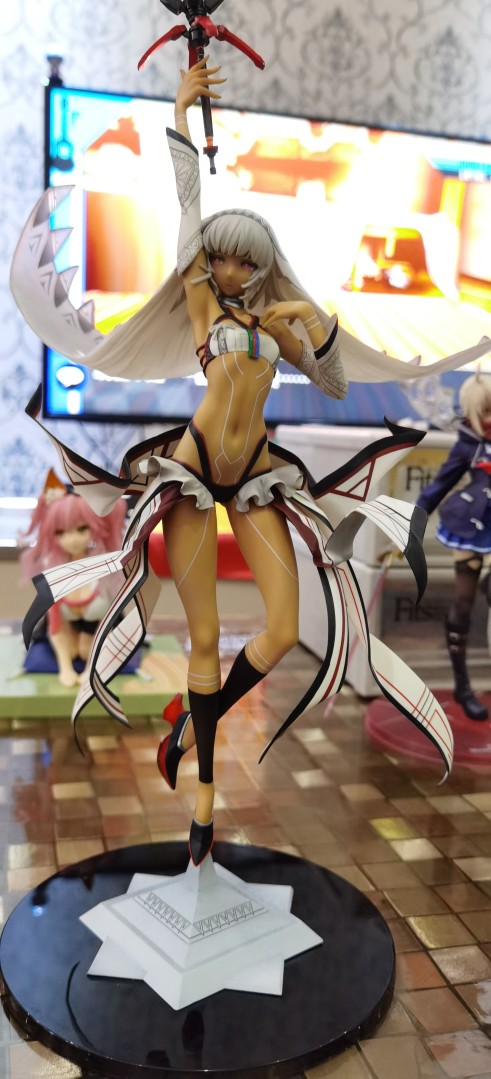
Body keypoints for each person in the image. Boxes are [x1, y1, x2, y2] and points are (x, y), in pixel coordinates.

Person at [12, 60, 490, 865]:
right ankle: (202, 800)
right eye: (223, 259)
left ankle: (188, 725)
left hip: (259, 476)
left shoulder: (276, 324)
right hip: (196, 474)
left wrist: (313, 321)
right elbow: (188, 218)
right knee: (203, 637)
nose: (231, 270)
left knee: (280, 628)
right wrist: (178, 116)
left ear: (263, 264)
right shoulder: (203, 303)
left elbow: (334, 383)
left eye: (244, 261)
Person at [417, 373, 491, 721]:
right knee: (464, 602)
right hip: (469, 522)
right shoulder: (467, 444)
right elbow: (439, 485)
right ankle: (462, 686)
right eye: (485, 410)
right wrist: (409, 523)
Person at [19, 484, 126, 687]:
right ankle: (77, 648)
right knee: (71, 651)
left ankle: (88, 653)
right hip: (65, 630)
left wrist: (91, 668)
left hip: (100, 629)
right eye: (61, 532)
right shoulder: (52, 570)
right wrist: (65, 667)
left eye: (82, 529)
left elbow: (109, 623)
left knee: (85, 651)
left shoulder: (104, 568)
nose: (72, 540)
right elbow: (56, 623)